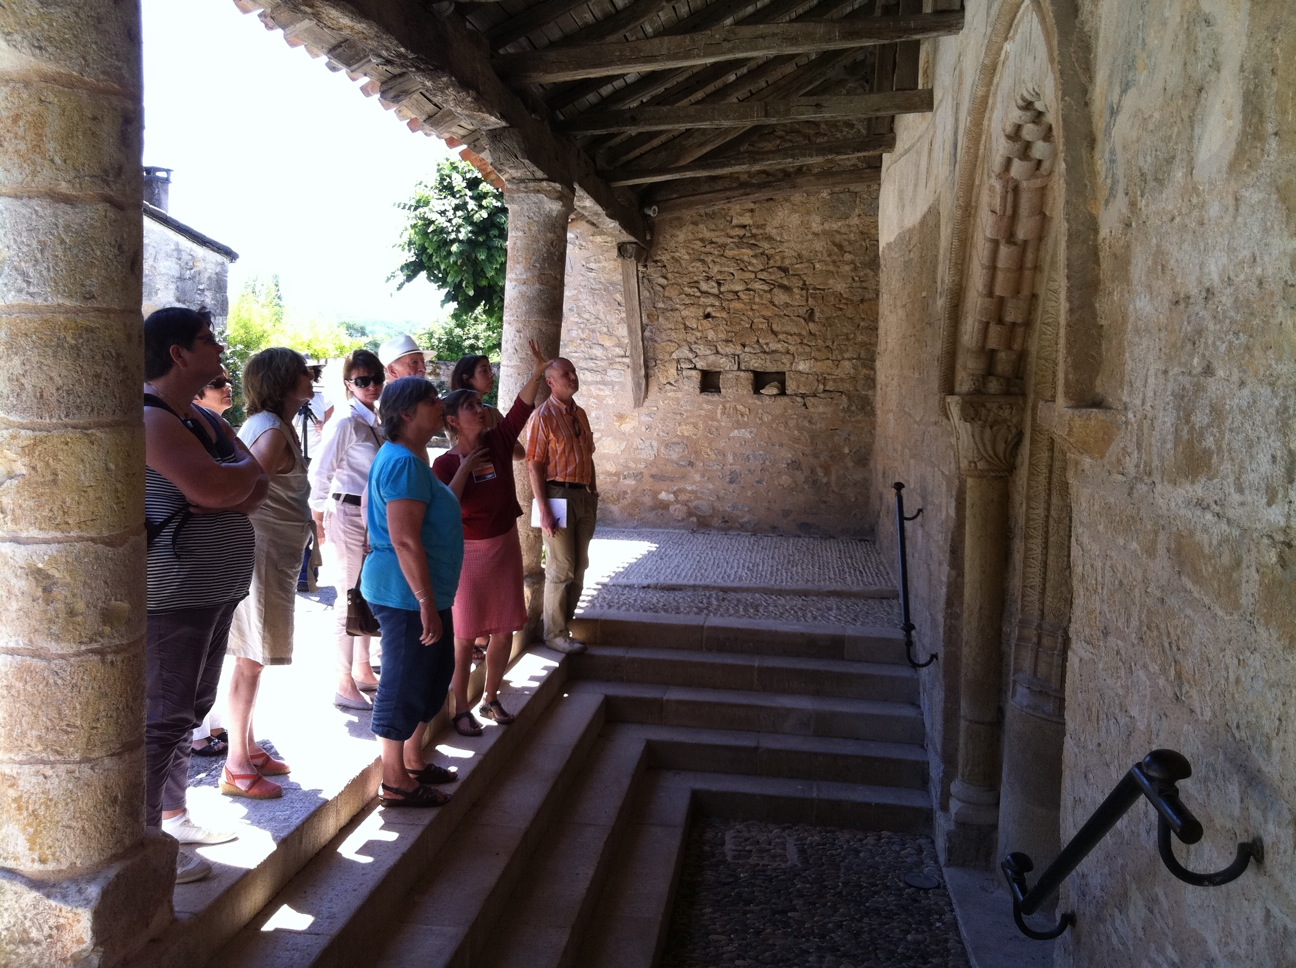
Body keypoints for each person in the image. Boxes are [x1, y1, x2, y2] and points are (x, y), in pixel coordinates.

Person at [143, 307, 268, 884]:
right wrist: (228, 481)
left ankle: (172, 816)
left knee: (190, 711)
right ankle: (144, 846)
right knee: (165, 718)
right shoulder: (152, 419)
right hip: (174, 595)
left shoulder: (198, 417)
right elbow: (218, 484)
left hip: (212, 589)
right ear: (177, 353)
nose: (218, 348)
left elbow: (257, 482)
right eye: (206, 340)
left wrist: (230, 481)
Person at [362, 377, 477, 806]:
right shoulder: (404, 462)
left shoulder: (408, 457)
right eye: (431, 401)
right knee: (404, 680)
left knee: (430, 676)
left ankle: (412, 760)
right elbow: (405, 539)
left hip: (420, 593)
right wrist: (426, 602)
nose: (440, 405)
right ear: (407, 414)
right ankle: (394, 780)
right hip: (406, 595)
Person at [435, 341, 549, 735]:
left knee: (504, 628)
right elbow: (445, 507)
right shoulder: (445, 463)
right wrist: (465, 468)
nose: (479, 411)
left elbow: (521, 410)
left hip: (504, 546)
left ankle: (491, 697)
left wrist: (538, 371)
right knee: (465, 635)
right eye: (470, 408)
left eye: (479, 406)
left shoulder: (498, 444)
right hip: (467, 554)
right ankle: (460, 707)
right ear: (452, 420)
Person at [222, 348, 315, 801]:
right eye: (302, 371)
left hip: (271, 553)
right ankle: (236, 766)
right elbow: (247, 482)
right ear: (283, 381)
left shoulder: (275, 427)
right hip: (262, 553)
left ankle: (249, 748)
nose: (310, 375)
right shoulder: (273, 431)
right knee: (251, 658)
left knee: (252, 656)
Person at [308, 349, 385, 710]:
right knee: (348, 597)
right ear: (348, 384)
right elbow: (321, 472)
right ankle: (343, 681)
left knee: (366, 593)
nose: (371, 386)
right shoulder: (345, 422)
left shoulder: (376, 419)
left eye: (376, 378)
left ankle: (362, 668)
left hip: (371, 514)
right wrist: (318, 516)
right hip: (349, 512)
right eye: (362, 380)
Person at [527, 358, 597, 654]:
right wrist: (543, 509)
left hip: (583, 495)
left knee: (580, 566)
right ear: (551, 382)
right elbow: (534, 465)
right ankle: (553, 632)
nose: (573, 377)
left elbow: (588, 455)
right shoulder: (542, 417)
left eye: (574, 372)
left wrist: (593, 493)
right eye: (565, 374)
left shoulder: (579, 414)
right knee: (561, 566)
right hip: (557, 494)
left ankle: (564, 624)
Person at [190, 367, 235, 759]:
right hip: (194, 567)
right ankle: (199, 734)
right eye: (218, 382)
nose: (227, 386)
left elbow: (253, 486)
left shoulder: (218, 427)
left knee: (211, 660)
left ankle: (213, 726)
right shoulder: (190, 428)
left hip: (220, 568)